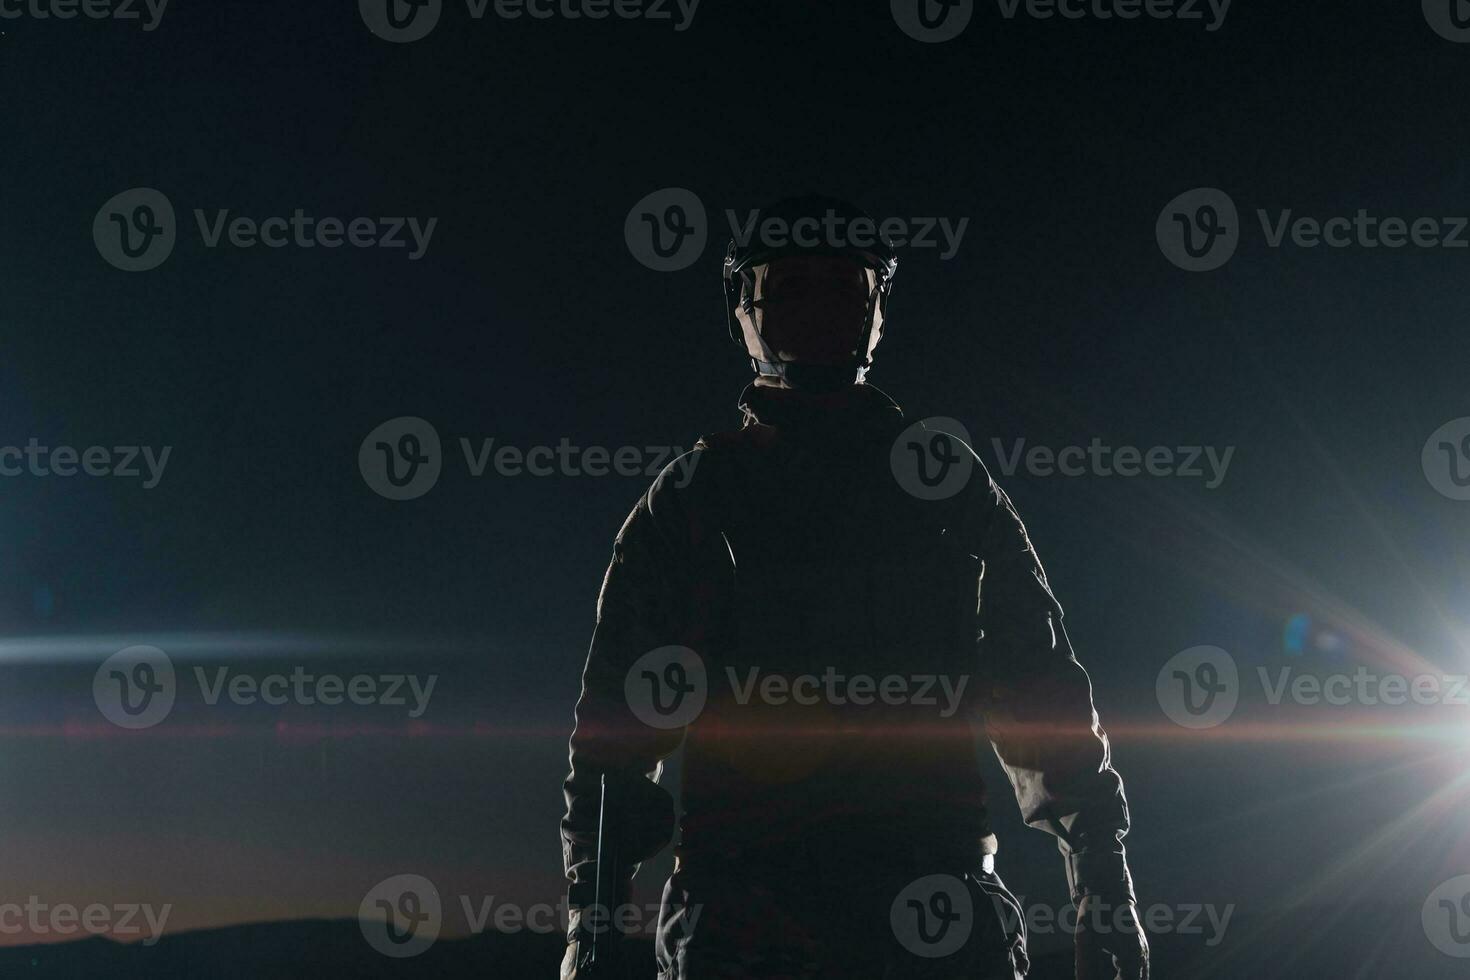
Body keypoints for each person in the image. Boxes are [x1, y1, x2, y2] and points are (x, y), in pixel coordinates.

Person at [561, 195, 1147, 979]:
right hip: (744, 921)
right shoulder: (697, 496)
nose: (818, 308)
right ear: (744, 306)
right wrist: (591, 924)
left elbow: (1043, 694)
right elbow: (615, 733)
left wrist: (1105, 892)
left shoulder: (943, 488)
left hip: (932, 908)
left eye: (843, 286)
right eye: (790, 286)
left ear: (876, 308)